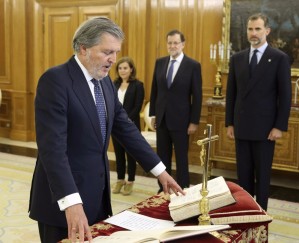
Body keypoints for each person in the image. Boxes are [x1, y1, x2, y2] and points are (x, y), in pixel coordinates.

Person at [28, 17, 184, 243]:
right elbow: (52, 150)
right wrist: (71, 203)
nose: (113, 60)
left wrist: (160, 171)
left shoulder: (104, 82)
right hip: (64, 204)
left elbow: (126, 129)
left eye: (116, 52)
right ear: (83, 48)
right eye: (107, 52)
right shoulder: (55, 81)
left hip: (97, 199)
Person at [225, 13, 291, 211]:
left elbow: (285, 96)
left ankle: (260, 215)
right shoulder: (237, 58)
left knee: (262, 176)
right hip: (241, 127)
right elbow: (231, 94)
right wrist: (230, 122)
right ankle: (244, 211)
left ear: (267, 31)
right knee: (243, 175)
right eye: (250, 29)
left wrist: (279, 126)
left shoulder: (279, 58)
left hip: (265, 129)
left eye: (258, 29)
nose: (253, 33)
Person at [149, 29, 202, 193]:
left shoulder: (193, 65)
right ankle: (163, 189)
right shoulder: (160, 62)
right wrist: (153, 114)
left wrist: (194, 121)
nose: (172, 46)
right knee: (162, 158)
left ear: (183, 44)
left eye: (175, 43)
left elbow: (197, 96)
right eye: (169, 43)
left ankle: (183, 188)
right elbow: (154, 90)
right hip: (162, 119)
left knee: (181, 159)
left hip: (182, 121)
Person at [112, 57, 144, 195]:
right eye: (120, 68)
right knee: (118, 154)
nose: (122, 71)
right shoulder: (114, 84)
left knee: (130, 154)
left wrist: (124, 120)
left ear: (131, 69)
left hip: (131, 125)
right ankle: (120, 179)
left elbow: (137, 107)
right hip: (115, 125)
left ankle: (130, 181)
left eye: (125, 68)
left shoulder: (138, 85)